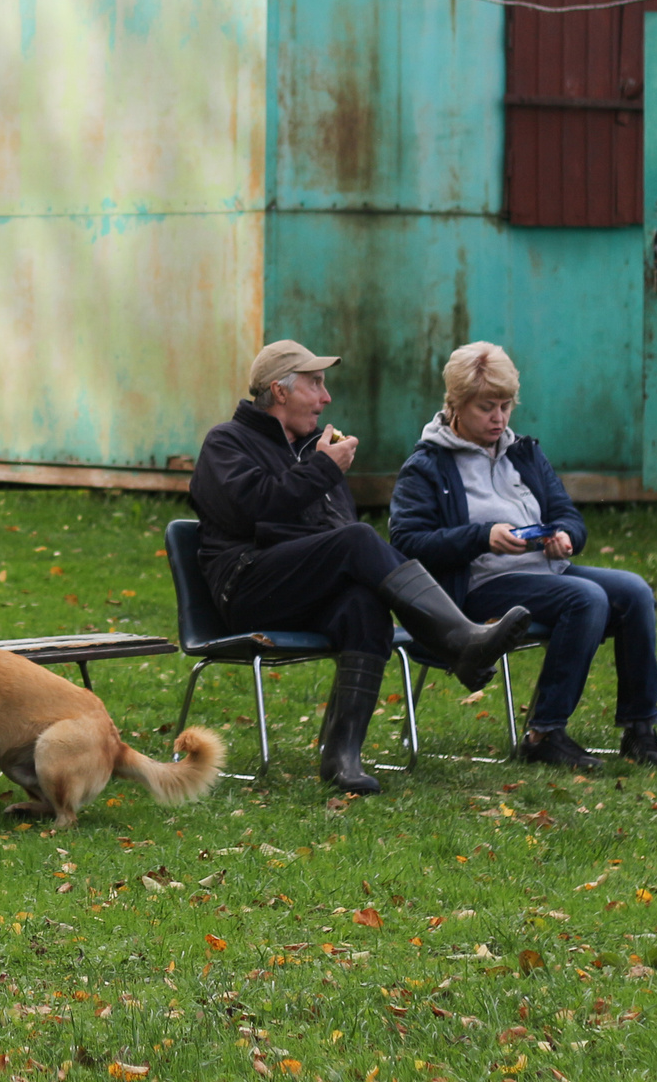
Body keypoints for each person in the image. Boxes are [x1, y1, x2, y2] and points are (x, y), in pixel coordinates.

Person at [189, 339, 535, 797]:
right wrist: (321, 472)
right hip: (246, 586)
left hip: (299, 591)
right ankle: (458, 640)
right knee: (356, 542)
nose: (326, 397)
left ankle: (342, 757)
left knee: (364, 602)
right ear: (279, 391)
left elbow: (335, 531)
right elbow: (251, 512)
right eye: (315, 384)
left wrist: (320, 473)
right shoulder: (226, 442)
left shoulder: (314, 450)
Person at [389, 343, 657, 770]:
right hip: (477, 587)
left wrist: (564, 537)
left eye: (505, 406)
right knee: (586, 598)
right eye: (487, 407)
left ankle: (640, 728)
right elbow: (407, 542)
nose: (499, 418)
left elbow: (567, 514)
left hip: (545, 571)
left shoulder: (522, 451)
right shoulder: (426, 465)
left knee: (633, 590)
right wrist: (482, 537)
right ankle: (545, 733)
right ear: (456, 405)